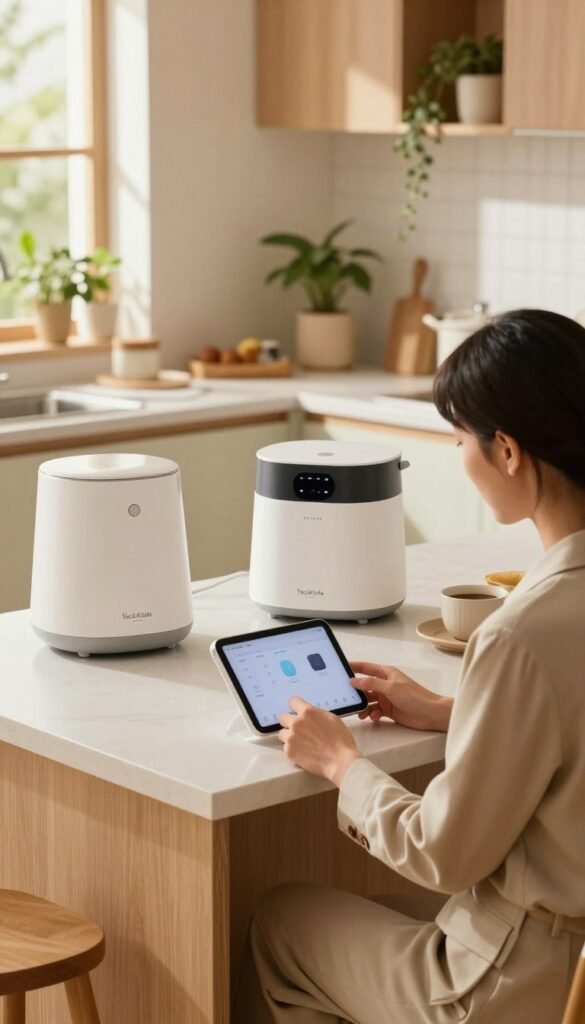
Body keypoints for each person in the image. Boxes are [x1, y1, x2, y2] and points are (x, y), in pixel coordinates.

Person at [233, 309, 585, 1024]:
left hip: (518, 987)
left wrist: (341, 763)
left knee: (282, 919)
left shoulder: (520, 632)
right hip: (571, 964)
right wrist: (454, 714)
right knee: (369, 911)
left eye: (459, 439)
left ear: (507, 451)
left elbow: (444, 856)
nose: (459, 455)